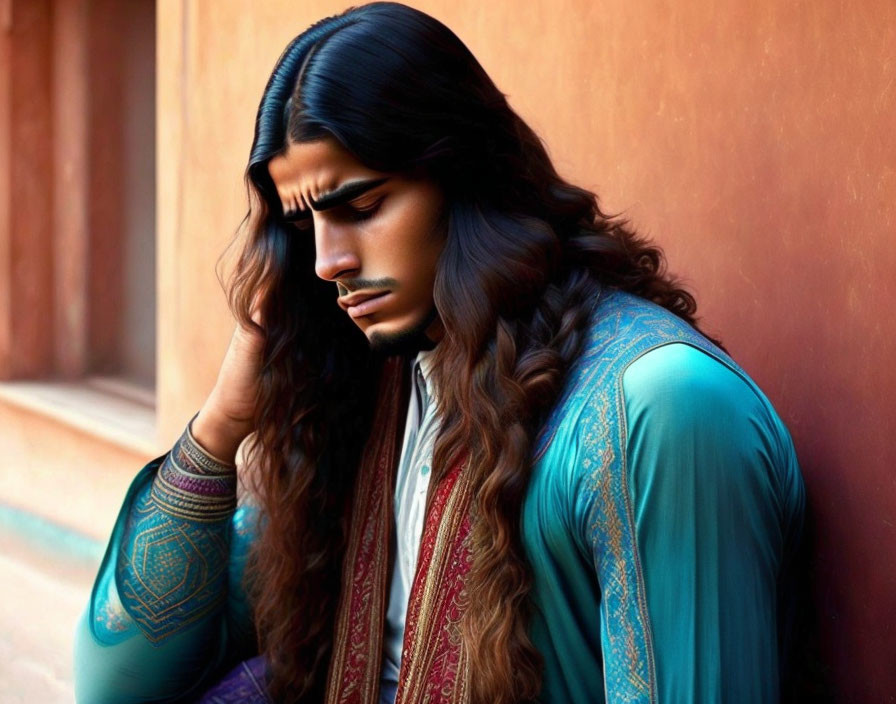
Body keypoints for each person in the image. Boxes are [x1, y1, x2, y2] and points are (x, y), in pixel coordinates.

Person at [74, 3, 805, 703]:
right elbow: (119, 685)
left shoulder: (655, 412)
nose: (327, 261)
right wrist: (220, 429)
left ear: (466, 179)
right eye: (305, 227)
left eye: (361, 208)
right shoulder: (372, 386)